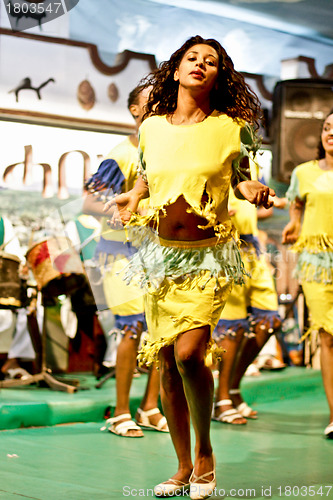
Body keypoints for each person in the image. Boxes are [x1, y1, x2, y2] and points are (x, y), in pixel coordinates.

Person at [106, 35, 275, 499]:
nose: (201, 65)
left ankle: (205, 453)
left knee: (187, 354)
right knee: (164, 360)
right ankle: (182, 468)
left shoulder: (232, 126)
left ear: (219, 76)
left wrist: (253, 191)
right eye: (192, 58)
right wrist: (134, 195)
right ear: (176, 70)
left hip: (207, 257)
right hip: (160, 258)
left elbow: (240, 179)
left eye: (212, 62)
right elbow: (146, 171)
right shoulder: (153, 127)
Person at [83, 84, 168, 437]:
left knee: (163, 333)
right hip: (119, 251)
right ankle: (120, 412)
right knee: (132, 327)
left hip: (157, 249)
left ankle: (149, 408)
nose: (157, 106)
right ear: (134, 110)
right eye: (149, 102)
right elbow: (89, 203)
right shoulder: (120, 154)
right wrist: (114, 211)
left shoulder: (165, 152)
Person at [212, 161, 282, 425]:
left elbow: (250, 205)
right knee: (231, 328)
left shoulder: (250, 161)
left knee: (269, 320)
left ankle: (231, 387)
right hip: (224, 248)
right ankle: (221, 401)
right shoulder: (212, 154)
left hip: (252, 249)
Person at [282, 109, 333, 440]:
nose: (332, 133)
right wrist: (294, 224)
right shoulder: (303, 171)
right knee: (327, 335)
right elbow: (297, 204)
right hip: (315, 262)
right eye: (328, 127)